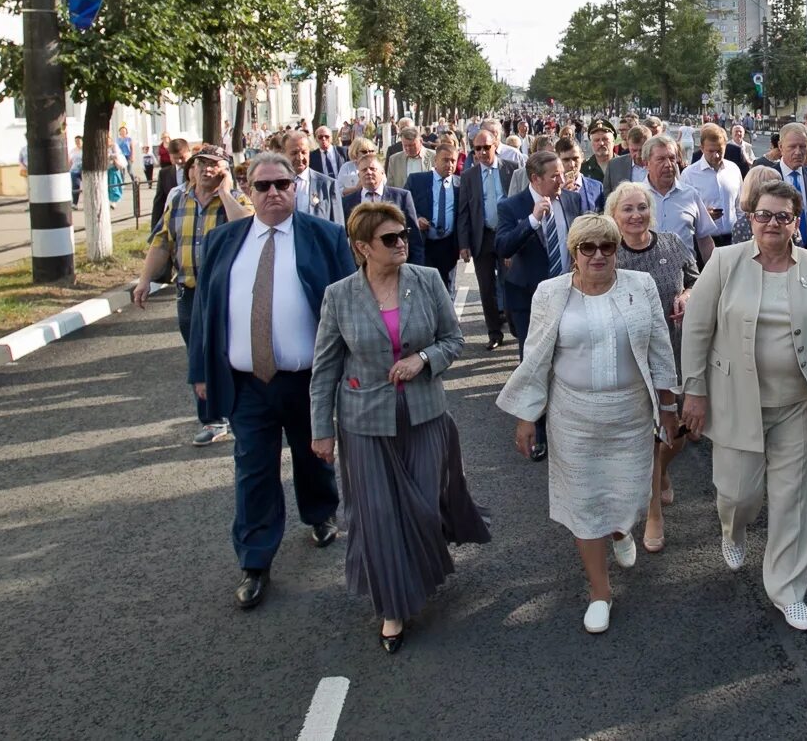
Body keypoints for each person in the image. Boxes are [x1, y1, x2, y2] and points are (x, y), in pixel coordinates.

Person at [309, 202, 489, 653]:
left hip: (425, 415)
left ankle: (418, 572)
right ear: (362, 248)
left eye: (403, 234)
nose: (401, 242)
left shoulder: (427, 281)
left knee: (423, 509)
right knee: (379, 517)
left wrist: (423, 360)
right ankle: (392, 608)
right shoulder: (340, 296)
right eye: (390, 239)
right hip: (364, 422)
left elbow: (454, 340)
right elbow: (325, 368)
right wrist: (321, 431)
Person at [677, 180, 807, 631]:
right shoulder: (724, 262)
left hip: (796, 404)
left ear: (796, 222)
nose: (773, 223)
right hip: (736, 400)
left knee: (792, 499)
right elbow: (697, 330)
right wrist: (693, 391)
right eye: (764, 215)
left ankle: (788, 589)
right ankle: (731, 529)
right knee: (738, 494)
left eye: (783, 216)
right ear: (750, 219)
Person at [185, 152, 357, 611]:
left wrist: (358, 366)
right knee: (253, 470)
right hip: (247, 384)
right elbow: (205, 310)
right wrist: (200, 373)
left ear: (295, 187)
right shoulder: (224, 241)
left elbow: (351, 306)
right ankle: (255, 561)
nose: (274, 192)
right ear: (248, 190)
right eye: (263, 186)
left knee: (312, 453)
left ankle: (320, 513)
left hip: (307, 381)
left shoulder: (325, 238)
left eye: (282, 183)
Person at [497, 215, 677, 634]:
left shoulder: (640, 286)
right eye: (587, 248)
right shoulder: (550, 293)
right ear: (574, 253)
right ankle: (600, 592)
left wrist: (668, 406)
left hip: (630, 415)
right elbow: (536, 357)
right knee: (584, 504)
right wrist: (528, 417)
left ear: (617, 250)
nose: (597, 255)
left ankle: (620, 530)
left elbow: (659, 348)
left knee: (629, 494)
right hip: (572, 418)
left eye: (607, 247)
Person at [132, 144, 254, 447]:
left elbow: (248, 230)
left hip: (227, 293)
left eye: (214, 164)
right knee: (197, 355)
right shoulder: (180, 201)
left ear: (224, 169)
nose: (206, 169)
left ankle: (240, 413)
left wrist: (225, 192)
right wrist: (144, 280)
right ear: (192, 167)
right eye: (201, 163)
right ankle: (212, 421)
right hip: (189, 292)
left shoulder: (237, 200)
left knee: (230, 351)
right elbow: (162, 243)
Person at [608, 181, 699, 553]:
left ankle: (661, 472)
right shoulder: (607, 251)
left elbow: (697, 279)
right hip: (630, 358)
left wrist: (689, 294)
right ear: (614, 215)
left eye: (642, 207)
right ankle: (653, 512)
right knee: (646, 436)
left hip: (675, 351)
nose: (636, 215)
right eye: (627, 209)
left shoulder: (672, 244)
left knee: (677, 431)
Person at [496, 150, 585, 458]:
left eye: (563, 173)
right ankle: (538, 430)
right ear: (535, 179)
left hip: (570, 293)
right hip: (528, 297)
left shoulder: (572, 200)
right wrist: (532, 221)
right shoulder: (511, 206)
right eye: (555, 176)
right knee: (534, 363)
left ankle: (569, 428)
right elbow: (503, 245)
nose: (563, 179)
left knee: (568, 360)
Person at [455, 128, 519, 350]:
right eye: (477, 149)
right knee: (486, 288)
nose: (482, 153)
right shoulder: (468, 176)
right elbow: (463, 212)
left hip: (507, 235)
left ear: (495, 145)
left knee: (510, 282)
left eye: (486, 147)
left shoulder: (511, 169)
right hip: (482, 238)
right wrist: (463, 244)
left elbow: (520, 204)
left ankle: (514, 326)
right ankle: (494, 333)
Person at [640, 135, 716, 265]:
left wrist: (715, 274)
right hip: (644, 274)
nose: (668, 165)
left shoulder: (690, 195)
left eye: (672, 158)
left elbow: (704, 240)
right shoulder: (635, 196)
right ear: (646, 163)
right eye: (661, 159)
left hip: (685, 278)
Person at [342, 155, 425, 266]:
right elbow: (344, 239)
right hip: (360, 268)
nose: (368, 172)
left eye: (373, 169)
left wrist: (415, 269)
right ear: (359, 175)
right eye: (364, 170)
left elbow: (414, 239)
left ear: (382, 173)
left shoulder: (402, 197)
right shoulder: (347, 202)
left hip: (395, 267)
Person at [408, 142, 462, 293]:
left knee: (447, 290)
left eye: (453, 160)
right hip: (424, 244)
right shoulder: (417, 181)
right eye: (445, 160)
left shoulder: (461, 184)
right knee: (425, 288)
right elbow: (404, 207)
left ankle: (447, 316)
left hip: (449, 245)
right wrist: (416, 218)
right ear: (435, 161)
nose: (450, 164)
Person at [681, 123, 741, 248]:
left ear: (725, 146)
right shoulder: (689, 174)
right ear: (702, 148)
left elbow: (740, 205)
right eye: (711, 151)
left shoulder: (733, 169)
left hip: (732, 239)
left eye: (719, 150)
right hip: (703, 241)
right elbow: (682, 211)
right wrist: (703, 216)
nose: (716, 155)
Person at [281, 129, 343, 224]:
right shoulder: (273, 185)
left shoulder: (328, 185)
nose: (300, 158)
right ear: (283, 155)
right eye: (294, 153)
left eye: (303, 152)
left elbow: (338, 227)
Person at [149, 137, 192, 235]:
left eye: (182, 157)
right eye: (175, 158)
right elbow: (159, 203)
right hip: (174, 224)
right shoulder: (164, 174)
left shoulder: (199, 171)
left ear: (189, 152)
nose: (179, 161)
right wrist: (154, 230)